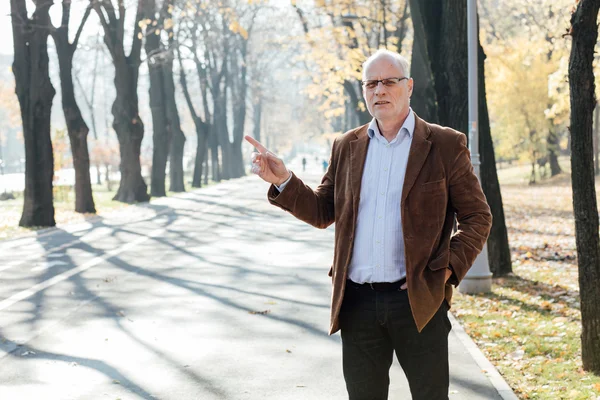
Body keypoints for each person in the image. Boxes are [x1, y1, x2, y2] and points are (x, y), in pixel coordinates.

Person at [245, 49, 492, 400]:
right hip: (357, 303)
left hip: (418, 302)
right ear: (364, 91)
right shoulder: (347, 145)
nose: (380, 91)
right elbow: (321, 210)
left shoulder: (445, 144)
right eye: (371, 83)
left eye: (389, 81)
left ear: (409, 87)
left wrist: (446, 269)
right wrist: (284, 179)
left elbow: (477, 217)